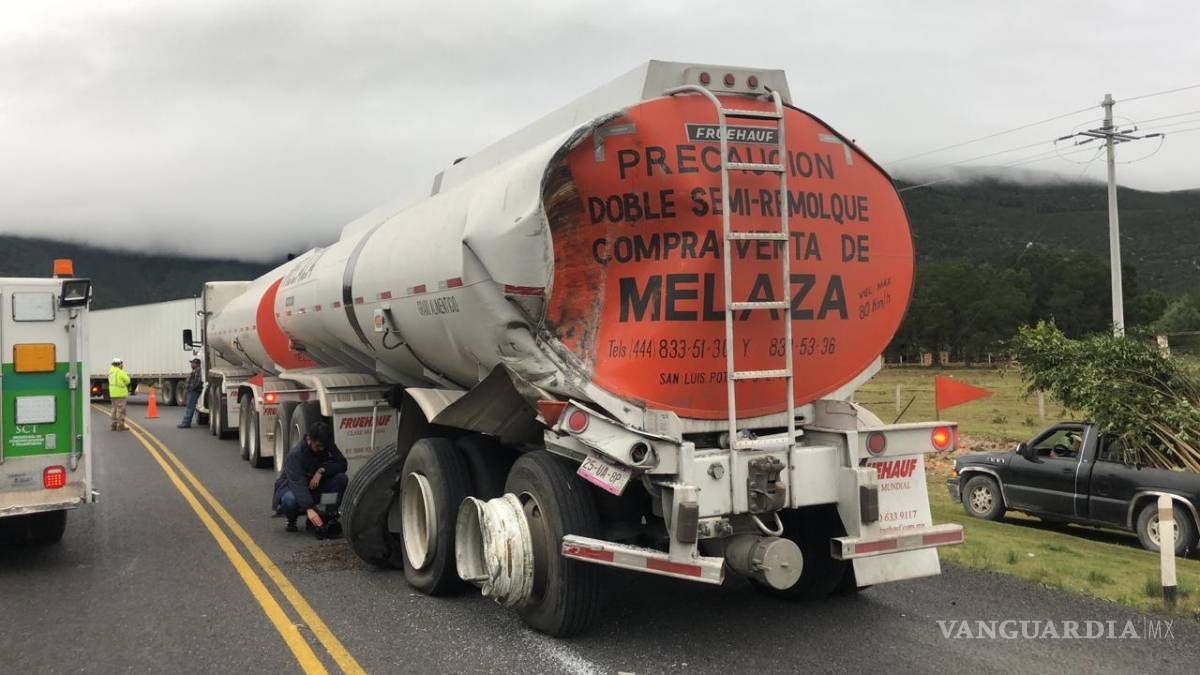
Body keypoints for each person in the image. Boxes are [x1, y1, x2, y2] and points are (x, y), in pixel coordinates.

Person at [272, 421, 349, 533]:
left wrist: (322, 470)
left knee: (341, 479)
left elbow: (342, 464)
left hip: (316, 486)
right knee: (290, 500)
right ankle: (291, 519)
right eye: (318, 446)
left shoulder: (327, 445)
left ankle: (329, 516)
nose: (322, 449)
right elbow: (298, 484)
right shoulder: (296, 455)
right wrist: (309, 508)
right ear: (309, 440)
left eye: (324, 446)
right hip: (295, 487)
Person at [177, 358, 203, 428]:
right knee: (189, 407)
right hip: (191, 391)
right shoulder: (195, 371)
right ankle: (185, 422)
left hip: (193, 392)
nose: (191, 364)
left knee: (190, 407)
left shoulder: (198, 371)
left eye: (192, 363)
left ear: (196, 364)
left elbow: (197, 382)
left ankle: (186, 423)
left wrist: (190, 389)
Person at [108, 357, 131, 431]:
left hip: (112, 394)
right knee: (121, 410)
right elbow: (128, 381)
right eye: (121, 364)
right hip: (120, 394)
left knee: (114, 409)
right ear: (119, 364)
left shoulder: (110, 372)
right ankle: (120, 425)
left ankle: (113, 425)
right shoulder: (120, 372)